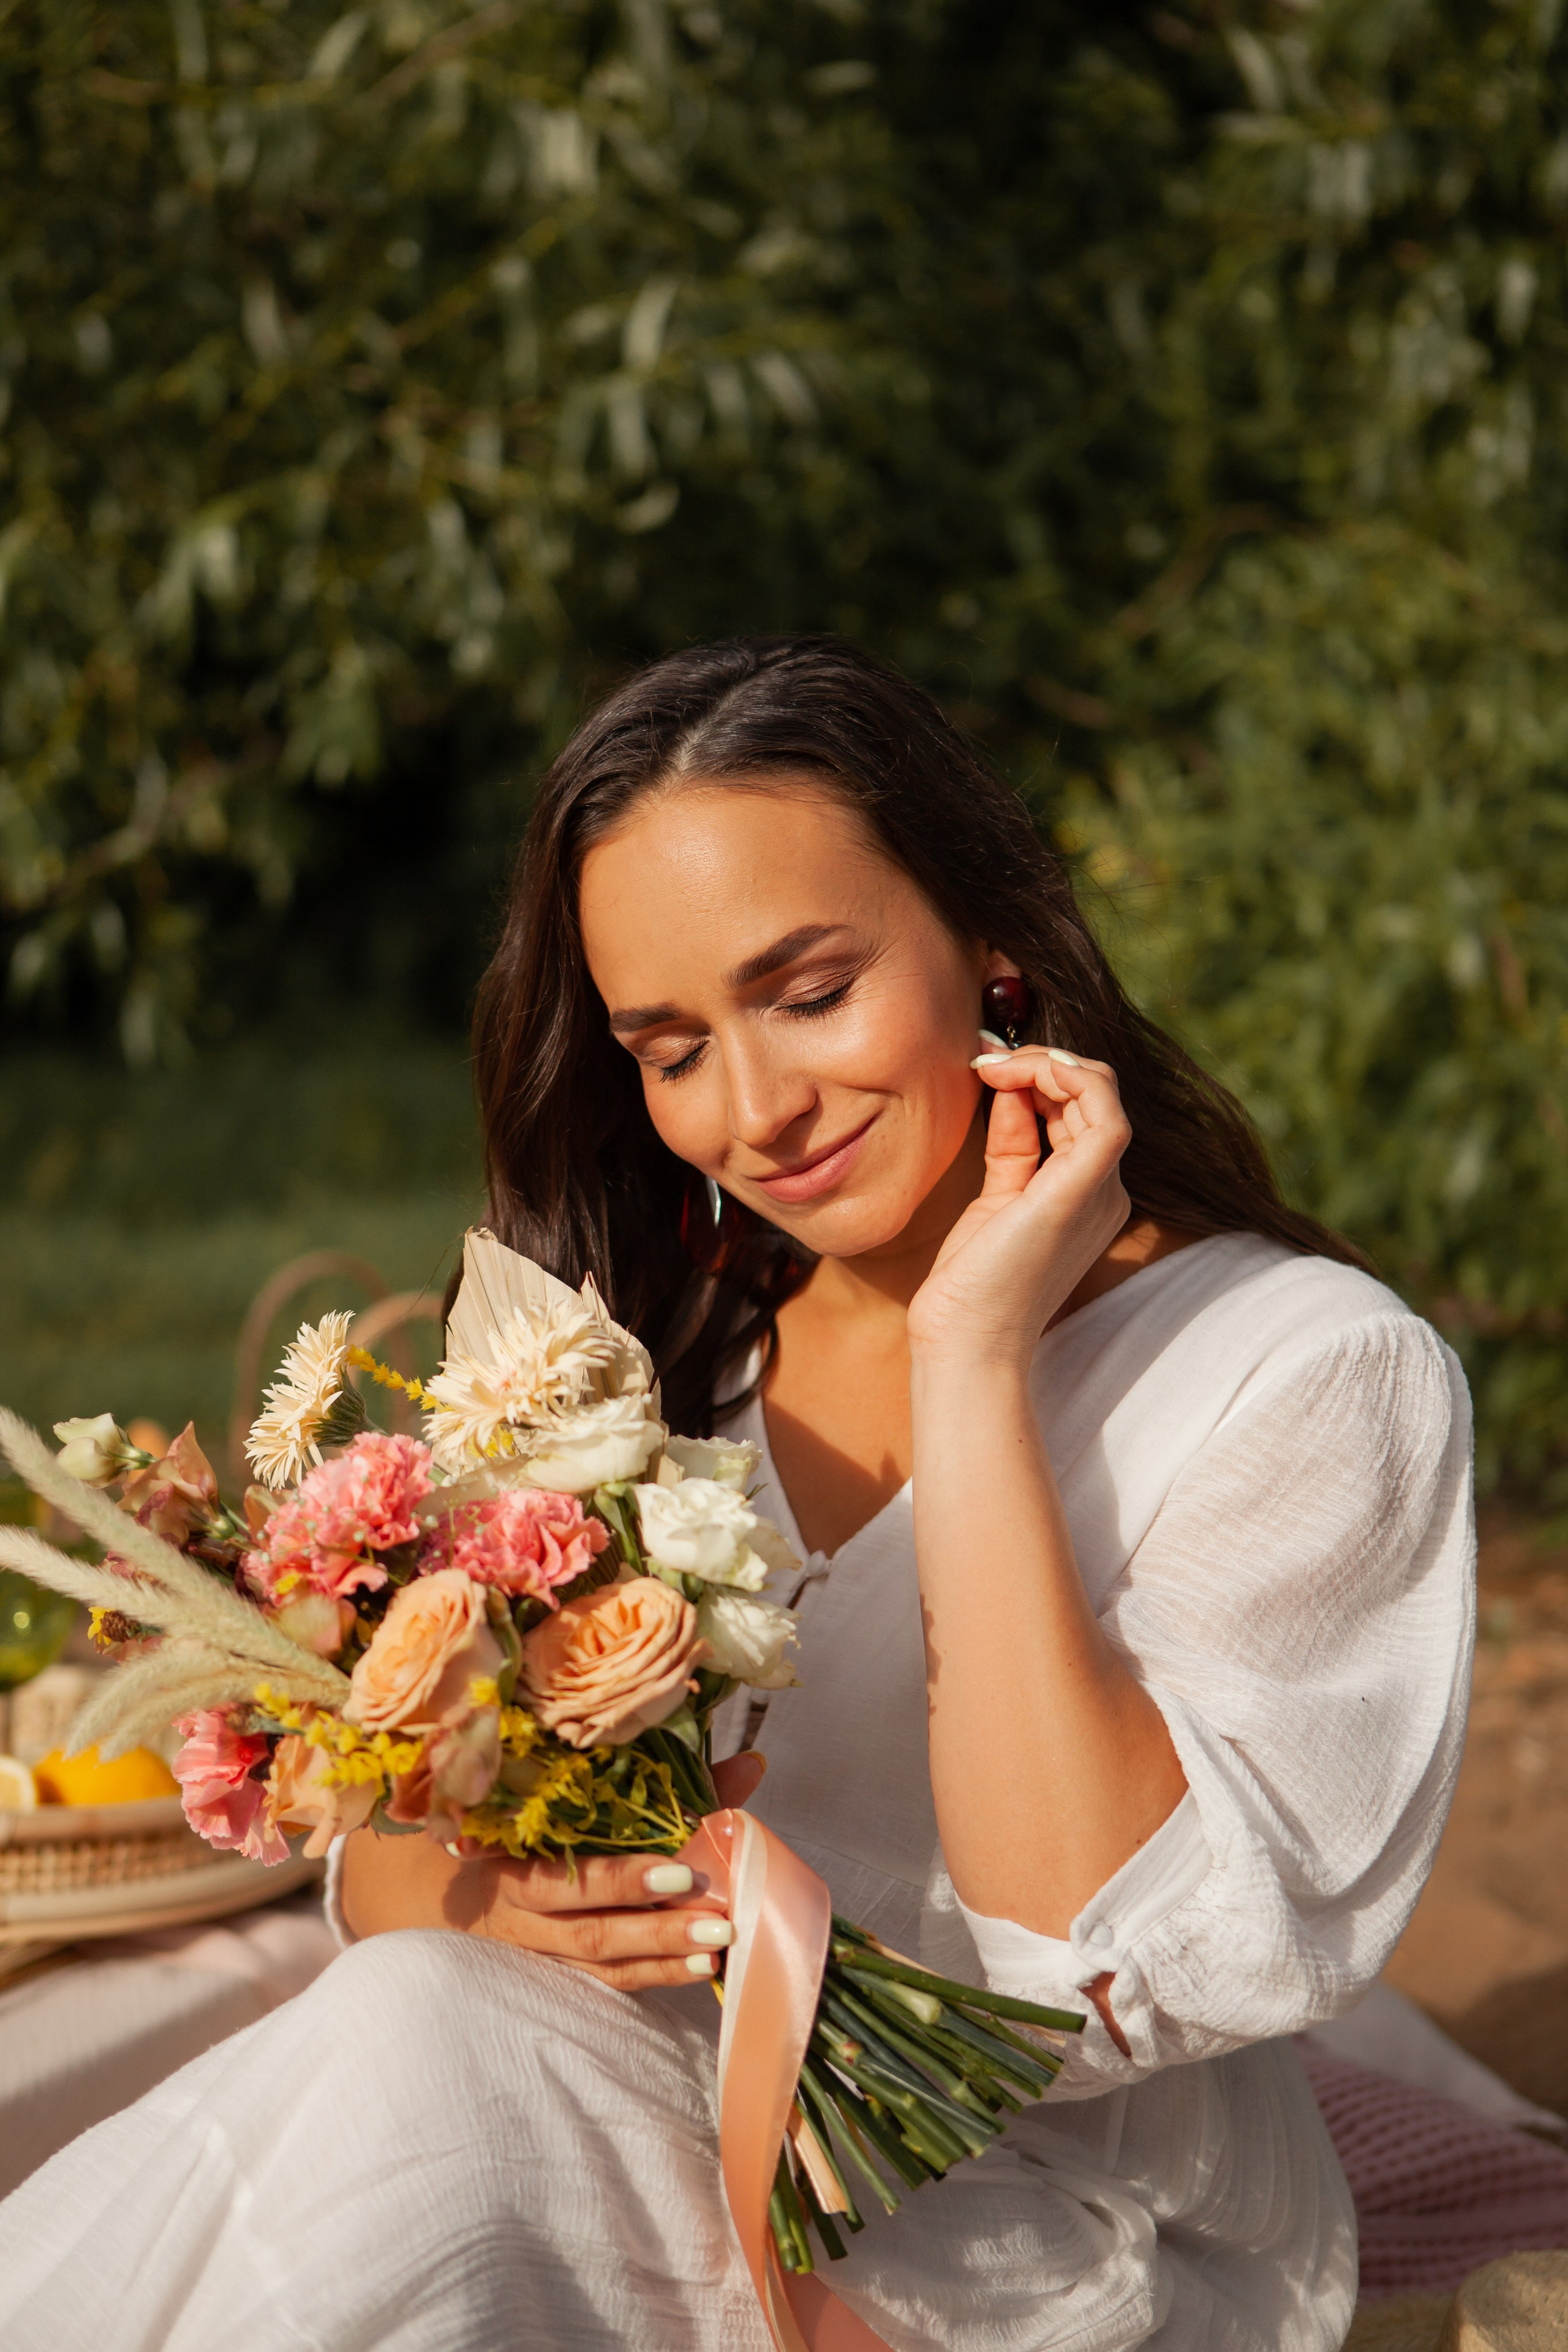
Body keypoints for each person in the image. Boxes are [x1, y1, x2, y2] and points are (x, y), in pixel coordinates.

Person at [0, 636, 1474, 2352]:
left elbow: (1096, 1968)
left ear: (991, 946)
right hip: (597, 2097)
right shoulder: (651, 1365)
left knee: (420, 2076)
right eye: (671, 1043)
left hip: (1054, 2229)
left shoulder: (1306, 1376)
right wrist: (503, 1894)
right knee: (402, 2024)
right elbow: (387, 1867)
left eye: (809, 989)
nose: (754, 1111)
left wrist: (976, 1356)